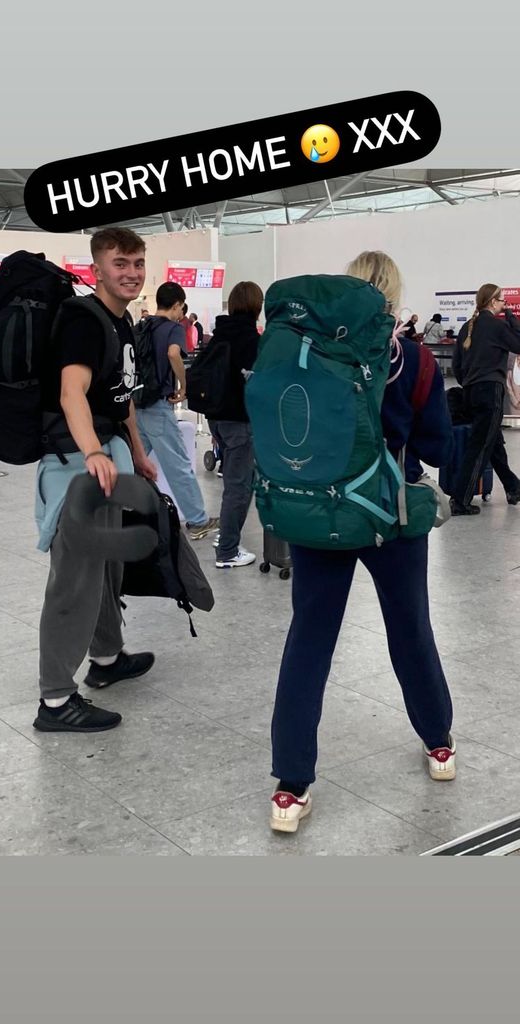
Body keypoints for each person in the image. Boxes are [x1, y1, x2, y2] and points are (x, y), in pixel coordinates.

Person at [269, 251, 455, 835]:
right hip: (390, 517)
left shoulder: (306, 355)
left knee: (310, 639)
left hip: (316, 518)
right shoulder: (415, 360)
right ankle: (438, 742)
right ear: (393, 299)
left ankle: (291, 785)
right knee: (410, 628)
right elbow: (437, 447)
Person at [33, 227, 158, 734]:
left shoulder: (121, 321)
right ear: (97, 269)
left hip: (110, 457)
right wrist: (91, 452)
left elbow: (119, 396)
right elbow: (72, 392)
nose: (131, 272)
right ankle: (56, 700)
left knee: (107, 571)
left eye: (137, 263)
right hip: (77, 464)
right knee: (75, 580)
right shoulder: (84, 320)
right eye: (120, 263)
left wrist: (140, 453)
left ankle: (107, 658)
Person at [135, 282, 219, 540]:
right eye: (181, 307)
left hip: (137, 402)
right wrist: (184, 384)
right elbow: (173, 354)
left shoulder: (141, 326)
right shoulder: (173, 329)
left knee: (134, 462)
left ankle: (119, 511)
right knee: (179, 464)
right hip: (158, 405)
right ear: (176, 305)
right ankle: (197, 520)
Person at [450, 283, 520, 515]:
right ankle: (460, 500)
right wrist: (512, 320)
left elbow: (457, 366)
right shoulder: (496, 326)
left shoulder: (466, 328)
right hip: (490, 392)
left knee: (493, 443)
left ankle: (513, 487)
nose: (504, 305)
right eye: (502, 301)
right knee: (480, 446)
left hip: (470, 392)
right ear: (492, 302)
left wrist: (469, 382)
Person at [207, 281, 262, 568]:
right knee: (239, 487)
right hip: (240, 421)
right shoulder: (252, 341)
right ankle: (227, 551)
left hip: (216, 418)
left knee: (233, 482)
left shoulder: (220, 335)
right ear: (257, 306)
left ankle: (224, 536)